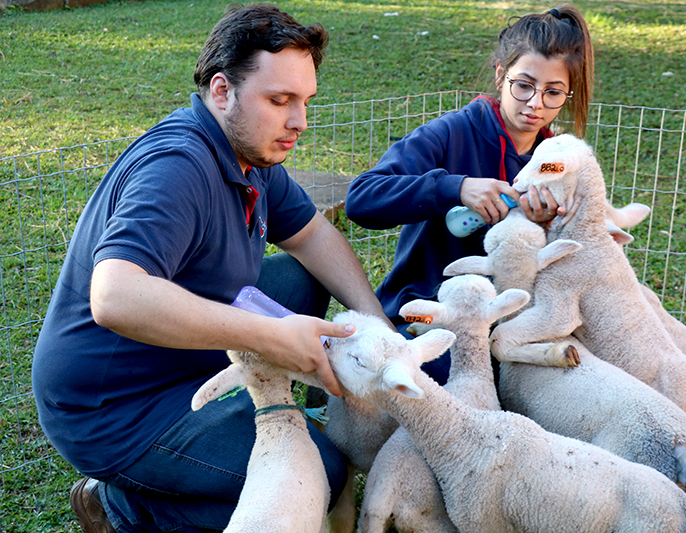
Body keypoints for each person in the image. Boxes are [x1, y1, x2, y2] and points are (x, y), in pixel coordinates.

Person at [32, 4, 390, 533]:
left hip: (184, 356)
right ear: (221, 91)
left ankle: (263, 400)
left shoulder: (251, 151)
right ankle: (120, 507)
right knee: (322, 472)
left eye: (305, 101)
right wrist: (270, 335)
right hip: (118, 408)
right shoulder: (177, 167)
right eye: (280, 100)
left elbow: (313, 234)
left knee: (302, 277)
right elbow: (115, 297)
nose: (299, 122)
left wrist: (375, 321)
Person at [345, 4, 594, 384]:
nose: (535, 103)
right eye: (524, 84)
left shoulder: (556, 163)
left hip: (510, 323)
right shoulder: (450, 133)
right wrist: (454, 187)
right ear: (500, 74)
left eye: (553, 92)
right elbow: (361, 199)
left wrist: (544, 227)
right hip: (424, 312)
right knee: (449, 389)